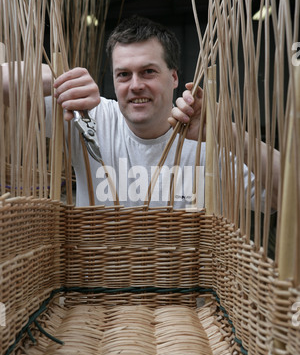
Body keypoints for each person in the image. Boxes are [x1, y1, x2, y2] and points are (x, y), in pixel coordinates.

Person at [2, 15, 279, 210]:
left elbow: (289, 195)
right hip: (99, 293)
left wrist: (228, 133)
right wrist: (54, 77)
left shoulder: (208, 141)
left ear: (173, 77)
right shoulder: (89, 118)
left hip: (184, 294)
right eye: (123, 74)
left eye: (148, 71)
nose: (135, 85)